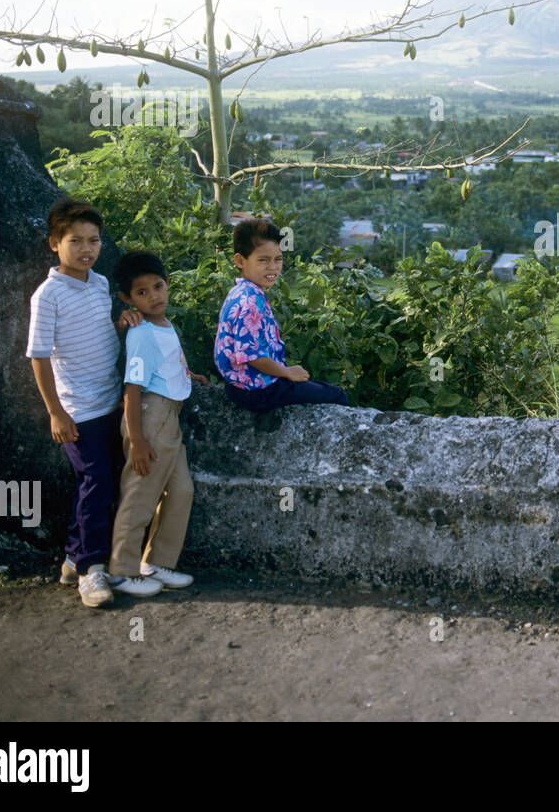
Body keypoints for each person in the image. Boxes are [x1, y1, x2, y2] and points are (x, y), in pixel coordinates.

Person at [27, 197, 141, 608]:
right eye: (76, 241)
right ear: (54, 243)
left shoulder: (98, 283)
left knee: (104, 482)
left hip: (112, 400)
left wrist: (120, 322)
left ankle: (75, 558)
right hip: (78, 409)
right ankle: (92, 571)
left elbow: (96, 333)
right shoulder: (48, 295)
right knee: (97, 484)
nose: (87, 249)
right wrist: (56, 412)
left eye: (94, 240)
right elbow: (39, 356)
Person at [107, 250, 208, 597]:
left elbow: (164, 365)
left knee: (182, 490)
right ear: (127, 298)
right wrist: (136, 441)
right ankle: (122, 570)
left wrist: (189, 375)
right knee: (141, 494)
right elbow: (131, 390)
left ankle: (158, 563)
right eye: (142, 292)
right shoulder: (141, 333)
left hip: (171, 416)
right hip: (150, 419)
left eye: (159, 286)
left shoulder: (165, 325)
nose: (154, 296)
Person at [214, 218, 349, 411]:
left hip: (239, 385)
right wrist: (286, 372)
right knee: (336, 395)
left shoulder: (240, 291)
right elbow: (252, 356)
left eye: (278, 259)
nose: (273, 267)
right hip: (258, 390)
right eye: (263, 260)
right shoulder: (250, 301)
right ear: (240, 261)